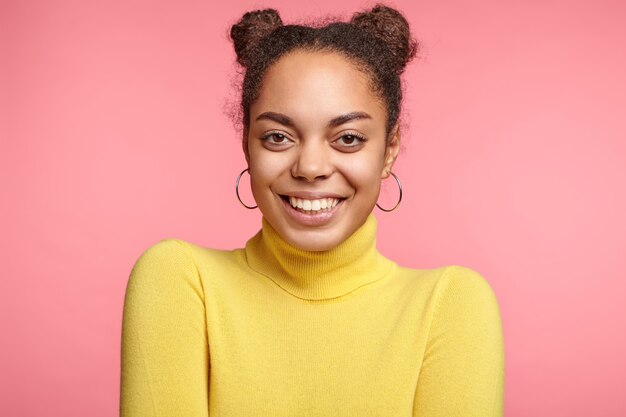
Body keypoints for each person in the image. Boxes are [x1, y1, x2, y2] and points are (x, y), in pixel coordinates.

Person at [120, 3, 505, 416]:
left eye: (349, 138)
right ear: (247, 143)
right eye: (278, 137)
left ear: (389, 149)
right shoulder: (180, 281)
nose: (310, 168)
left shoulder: (450, 305)